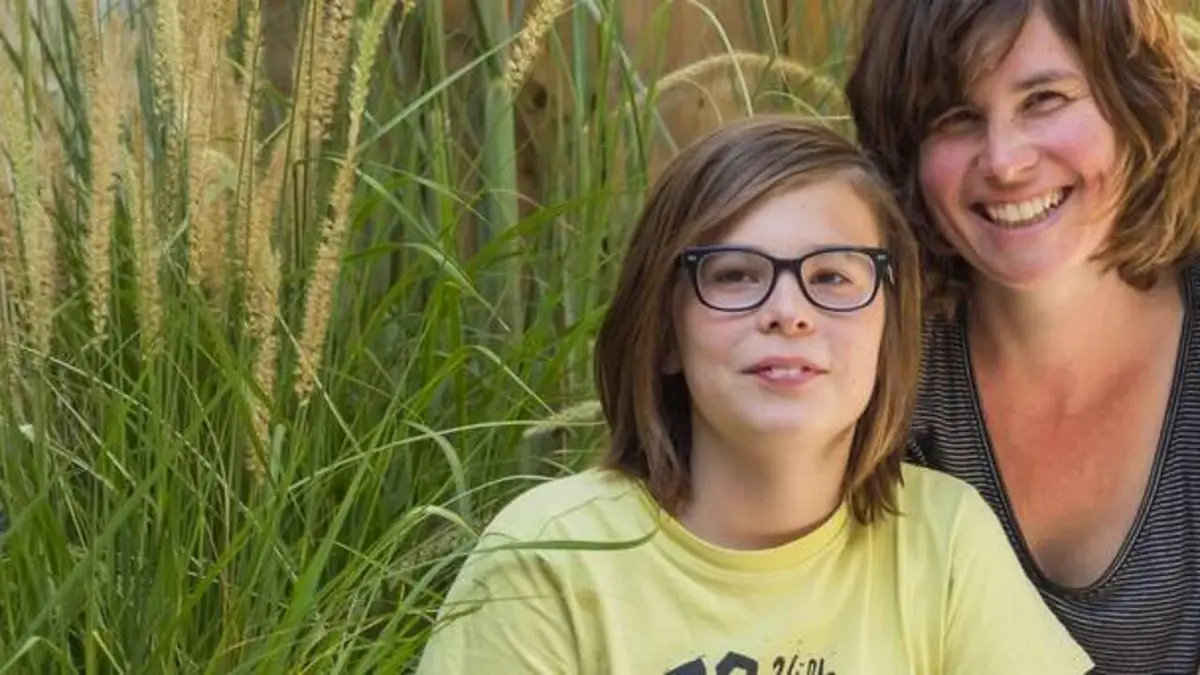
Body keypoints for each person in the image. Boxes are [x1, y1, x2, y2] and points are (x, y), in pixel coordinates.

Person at [413, 116, 1092, 674]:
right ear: (666, 333)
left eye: (831, 277)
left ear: (887, 333)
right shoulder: (549, 557)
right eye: (736, 275)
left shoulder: (942, 539)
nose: (789, 312)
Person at [844, 1, 1200, 673]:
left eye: (1044, 100)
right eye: (956, 117)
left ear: (1133, 97)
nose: (1005, 162)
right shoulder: (873, 369)